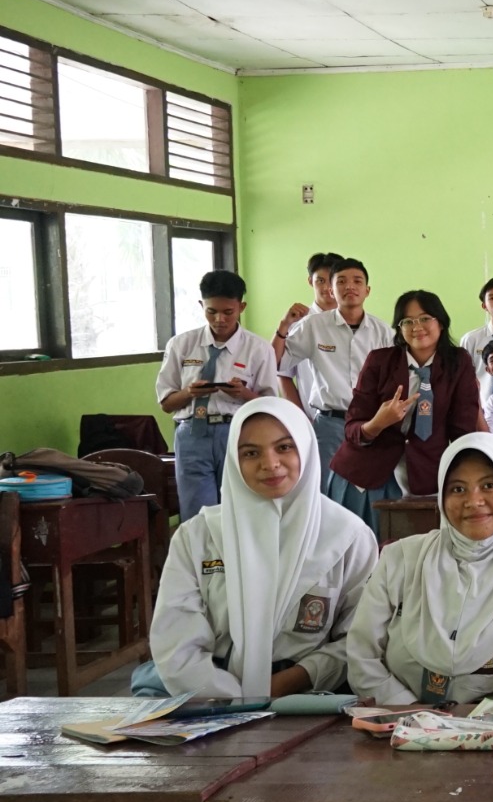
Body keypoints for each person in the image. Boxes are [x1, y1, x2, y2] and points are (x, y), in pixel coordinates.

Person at [136, 398, 376, 698]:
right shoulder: (199, 536)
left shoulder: (349, 537)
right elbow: (176, 639)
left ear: (305, 448)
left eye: (284, 447)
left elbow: (357, 640)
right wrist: (232, 698)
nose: (270, 464)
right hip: (205, 689)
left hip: (305, 692)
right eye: (250, 453)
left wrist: (285, 684)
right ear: (235, 462)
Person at [346, 434, 493, 704]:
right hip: (400, 725)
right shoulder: (401, 560)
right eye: (458, 489)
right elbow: (362, 656)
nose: (473, 501)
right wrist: (413, 718)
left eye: (489, 485)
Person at [328, 290, 481, 531]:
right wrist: (378, 423)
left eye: (424, 318)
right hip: (366, 475)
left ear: (440, 322)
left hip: (425, 475)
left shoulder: (458, 362)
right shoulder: (379, 361)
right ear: (399, 329)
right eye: (407, 321)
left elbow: (463, 428)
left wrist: (463, 479)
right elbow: (352, 428)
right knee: (364, 557)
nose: (416, 326)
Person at [156, 270, 278, 521]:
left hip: (239, 434)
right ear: (201, 305)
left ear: (241, 307)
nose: (219, 319)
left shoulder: (258, 348)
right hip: (192, 434)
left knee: (240, 509)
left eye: (228, 312)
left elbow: (270, 407)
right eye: (211, 311)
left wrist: (244, 393)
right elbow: (167, 404)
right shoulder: (181, 345)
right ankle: (205, 561)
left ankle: (239, 560)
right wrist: (189, 392)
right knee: (197, 514)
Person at [274, 258, 392, 493]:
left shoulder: (383, 332)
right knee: (326, 492)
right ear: (332, 289)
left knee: (367, 493)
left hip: (370, 424)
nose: (350, 287)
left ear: (367, 290)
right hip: (330, 423)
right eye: (342, 282)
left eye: (357, 281)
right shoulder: (313, 326)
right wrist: (283, 327)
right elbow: (276, 363)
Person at [276, 252, 341, 418]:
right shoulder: (297, 322)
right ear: (310, 281)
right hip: (312, 418)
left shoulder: (354, 322)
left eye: (332, 280)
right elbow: (283, 376)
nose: (327, 288)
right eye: (320, 280)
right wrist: (301, 418)